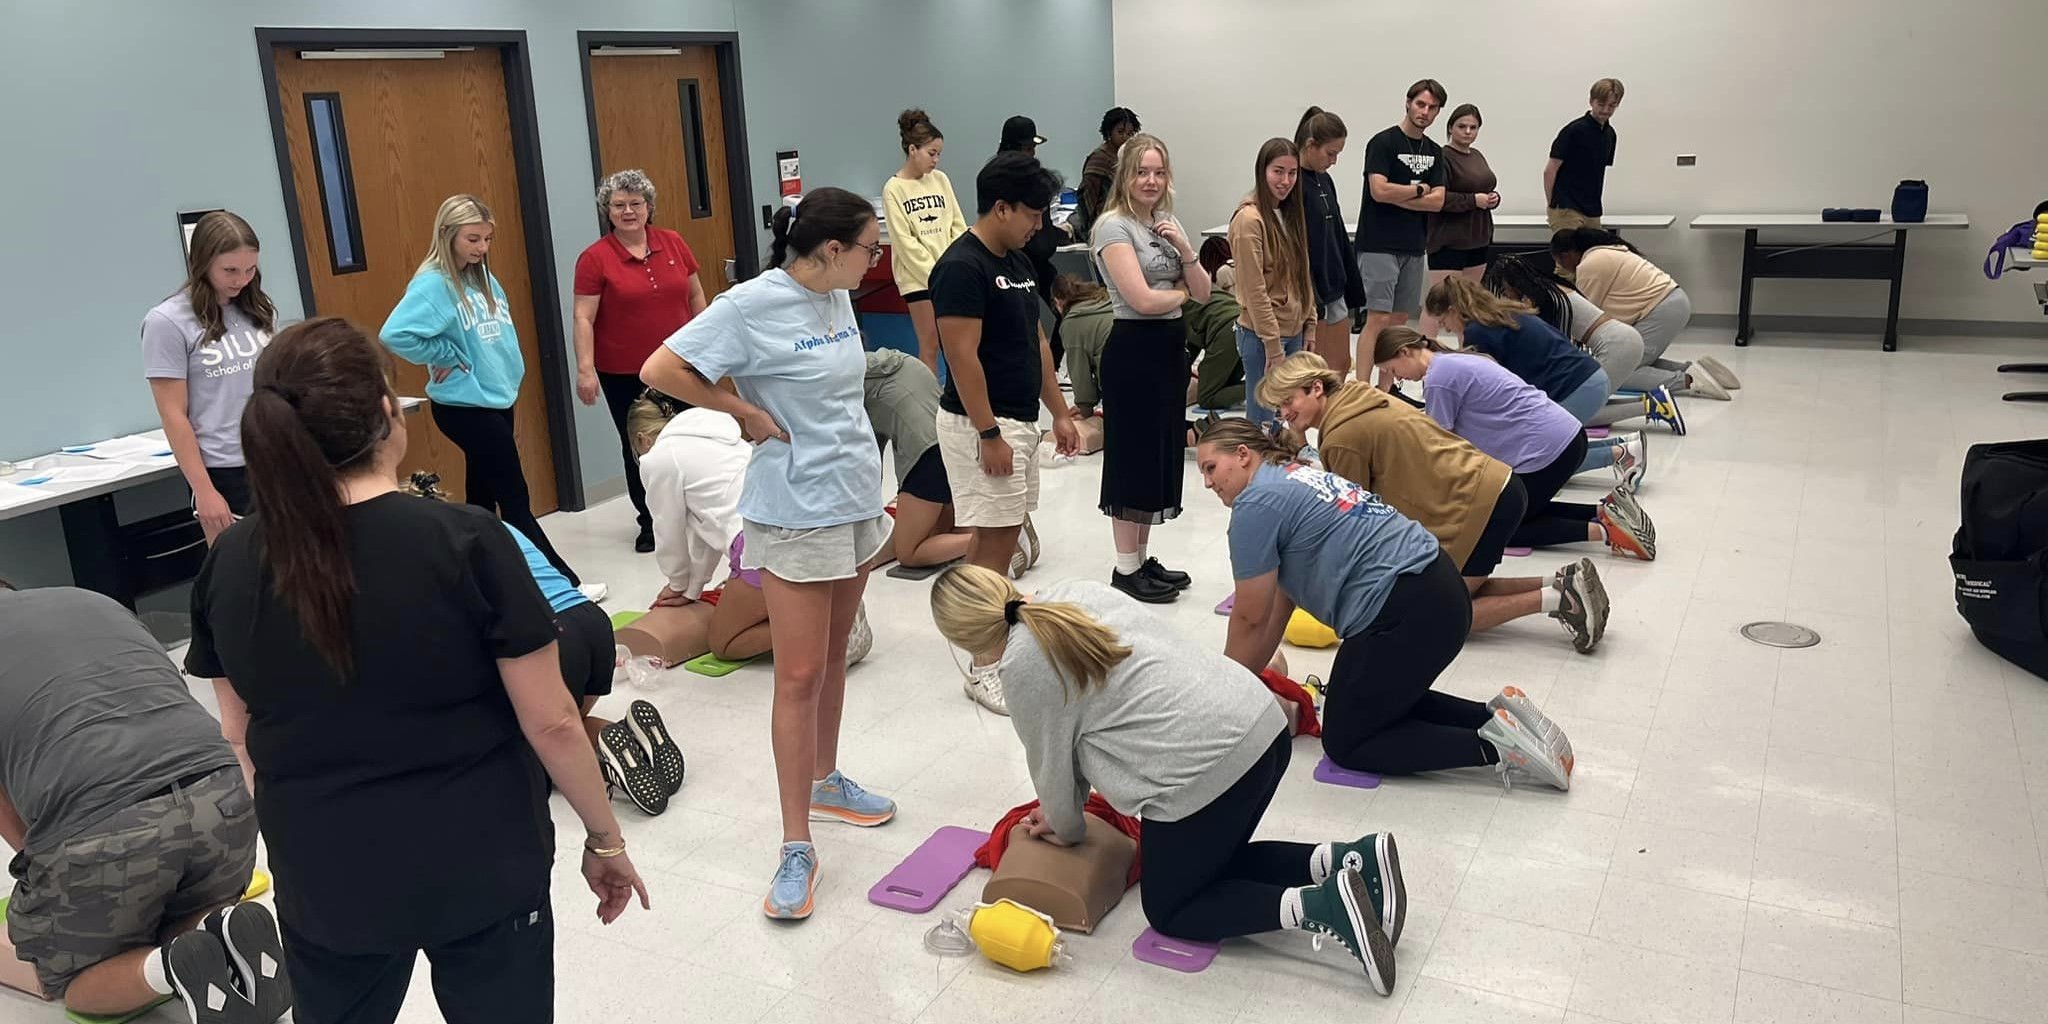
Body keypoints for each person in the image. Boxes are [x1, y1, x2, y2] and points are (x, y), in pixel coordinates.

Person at [186, 317, 648, 1024]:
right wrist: (604, 839)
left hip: (325, 873)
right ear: (385, 415)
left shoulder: (230, 561)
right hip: (481, 862)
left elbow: (239, 735)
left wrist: (304, 833)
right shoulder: (467, 540)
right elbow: (553, 721)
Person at [927, 565, 1407, 995]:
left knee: (1173, 908)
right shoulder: (1071, 591)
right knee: (1216, 863)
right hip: (1261, 723)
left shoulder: (1022, 667)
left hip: (1206, 768)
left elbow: (1053, 767)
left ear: (964, 640)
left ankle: (1323, 906)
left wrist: (1062, 825)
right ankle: (1350, 860)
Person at [641, 187, 896, 921]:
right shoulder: (751, 304)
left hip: (852, 495)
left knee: (837, 649)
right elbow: (663, 369)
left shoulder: (838, 297)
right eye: (870, 248)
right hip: (792, 509)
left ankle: (826, 779)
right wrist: (741, 409)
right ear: (830, 251)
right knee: (800, 673)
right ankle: (794, 845)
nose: (877, 260)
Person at [1197, 419, 1575, 792]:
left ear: (1243, 455)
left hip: (1402, 611)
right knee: (1376, 701)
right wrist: (1244, 681)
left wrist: (1222, 693)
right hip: (1439, 586)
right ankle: (1496, 716)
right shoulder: (1295, 474)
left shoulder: (1255, 504)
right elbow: (1277, 608)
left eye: (1211, 468)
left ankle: (1495, 747)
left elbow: (1249, 617)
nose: (1207, 482)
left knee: (1347, 741)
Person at [1, 583, 279, 1024]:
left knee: (72, 984)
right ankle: (219, 927)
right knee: (167, 908)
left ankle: (166, 969)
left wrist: (47, 881)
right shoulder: (89, 599)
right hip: (223, 797)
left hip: (108, 828)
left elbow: (11, 819)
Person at [1259, 352, 1608, 650]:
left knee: (1437, 614)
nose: (1285, 413)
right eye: (1278, 407)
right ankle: (1561, 582)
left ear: (1316, 388)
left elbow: (1353, 524)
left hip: (1476, 504)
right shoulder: (1357, 396)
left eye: (1288, 401)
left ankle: (1560, 599)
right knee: (1455, 585)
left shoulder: (1340, 436)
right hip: (1495, 483)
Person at [406, 470, 686, 819]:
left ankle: (604, 760)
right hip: (593, 625)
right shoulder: (490, 526)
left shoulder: (432, 550)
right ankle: (627, 737)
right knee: (566, 719)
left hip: (551, 637)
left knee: (533, 743)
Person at [932, 151, 1082, 714]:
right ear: (1000, 207)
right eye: (1032, 213)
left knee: (1001, 537)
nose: (1039, 224)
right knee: (995, 546)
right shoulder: (961, 267)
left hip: (1019, 420)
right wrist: (988, 432)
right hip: (982, 425)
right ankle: (983, 664)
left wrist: (1059, 411)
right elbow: (962, 358)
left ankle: (992, 630)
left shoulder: (1017, 261)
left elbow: (1037, 342)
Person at [382, 194, 586, 589]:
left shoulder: (482, 278)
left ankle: (477, 579)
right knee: (515, 499)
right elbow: (394, 334)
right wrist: (441, 351)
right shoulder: (433, 284)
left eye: (487, 239)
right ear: (448, 235)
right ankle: (560, 582)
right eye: (472, 239)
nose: (482, 248)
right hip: (464, 406)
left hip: (497, 398)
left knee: (481, 499)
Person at [1374, 328, 1656, 561]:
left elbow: (1439, 444)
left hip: (1548, 451)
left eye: (1392, 369)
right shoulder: (1455, 360)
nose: (1397, 378)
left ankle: (1608, 531)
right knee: (1518, 507)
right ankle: (1605, 512)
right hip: (1568, 435)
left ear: (1404, 352)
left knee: (1502, 527)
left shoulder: (1438, 378)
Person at [1090, 132, 1212, 604]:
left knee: (1158, 453)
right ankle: (1125, 569)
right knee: (1132, 455)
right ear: (1126, 175)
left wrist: (1185, 249)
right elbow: (1141, 300)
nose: (1151, 180)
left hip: (1168, 349)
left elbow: (1203, 290)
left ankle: (1141, 560)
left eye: (1159, 172)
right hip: (1134, 348)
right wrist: (1179, 294)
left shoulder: (1165, 221)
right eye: (1142, 171)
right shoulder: (1112, 227)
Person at [573, 169, 708, 554]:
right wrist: (585, 369)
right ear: (607, 211)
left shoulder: (674, 243)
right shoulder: (594, 259)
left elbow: (696, 297)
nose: (628, 211)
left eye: (636, 204)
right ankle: (651, 522)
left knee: (692, 437)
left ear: (649, 207)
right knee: (642, 446)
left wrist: (709, 349)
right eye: (619, 205)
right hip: (623, 371)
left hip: (681, 364)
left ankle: (696, 513)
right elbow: (583, 317)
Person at [143, 210, 277, 544]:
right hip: (223, 468)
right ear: (201, 263)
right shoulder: (167, 321)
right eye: (229, 270)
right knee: (242, 574)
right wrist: (204, 490)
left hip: (273, 455)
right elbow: (173, 415)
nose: (241, 280)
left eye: (249, 269)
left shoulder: (255, 309)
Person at [1421, 277, 1634, 477]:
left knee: (1546, 460)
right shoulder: (1503, 311)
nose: (1445, 328)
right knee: (1560, 444)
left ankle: (1621, 456)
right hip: (1589, 376)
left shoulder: (1478, 332)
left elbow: (1490, 385)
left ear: (1453, 310)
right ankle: (1625, 445)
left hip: (1574, 387)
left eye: (1442, 321)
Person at [1550, 229, 1740, 420]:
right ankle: (1696, 369)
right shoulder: (1608, 251)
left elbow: (1585, 314)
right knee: (1634, 358)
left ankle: (1689, 381)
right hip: (1672, 301)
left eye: (1559, 262)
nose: (1561, 269)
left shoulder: (1589, 265)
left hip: (1662, 309)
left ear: (1567, 255)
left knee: (1621, 372)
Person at [1483, 255, 1651, 435]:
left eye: (1504, 290)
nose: (1505, 296)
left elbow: (1553, 341)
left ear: (1514, 284)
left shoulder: (1542, 299)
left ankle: (1651, 407)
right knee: (1589, 399)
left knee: (1575, 416)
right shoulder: (1551, 288)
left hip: (1618, 345)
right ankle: (1648, 402)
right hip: (1621, 339)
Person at [1356, 80, 1451, 379]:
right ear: (1408, 103)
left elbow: (1438, 202)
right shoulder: (1383, 143)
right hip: (1378, 244)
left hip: (1413, 244)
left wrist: (1407, 196)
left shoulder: (1435, 151)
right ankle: (1360, 387)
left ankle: (1386, 389)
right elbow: (1378, 191)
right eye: (1420, 104)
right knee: (1377, 318)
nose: (1425, 112)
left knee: (1398, 323)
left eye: (1432, 107)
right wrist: (1421, 190)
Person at [1227, 138, 1316, 426]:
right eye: (1278, 171)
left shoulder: (1290, 214)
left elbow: (1303, 274)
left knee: (1290, 411)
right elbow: (1254, 290)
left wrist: (1310, 324)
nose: (1286, 180)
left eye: (1292, 173)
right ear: (1262, 171)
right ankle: (1259, 469)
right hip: (1262, 336)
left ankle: (1283, 461)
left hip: (1294, 329)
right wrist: (1273, 346)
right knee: (1262, 419)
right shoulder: (1249, 220)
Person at [862, 348, 975, 570]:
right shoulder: (896, 360)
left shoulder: (841, 384)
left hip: (927, 456)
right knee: (939, 533)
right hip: (953, 442)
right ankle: (987, 532)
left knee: (910, 552)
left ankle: (996, 538)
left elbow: (865, 462)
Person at [883, 109, 968, 373]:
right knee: (930, 343)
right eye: (931, 153)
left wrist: (956, 264)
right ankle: (930, 404)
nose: (936, 160)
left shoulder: (940, 180)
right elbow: (905, 241)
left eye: (939, 153)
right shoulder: (893, 189)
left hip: (949, 271)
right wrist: (936, 274)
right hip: (918, 279)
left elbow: (956, 222)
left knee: (956, 343)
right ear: (912, 150)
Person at [1296, 107, 1367, 379]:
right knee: (1317, 373)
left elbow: (1336, 234)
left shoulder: (1325, 180)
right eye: (1331, 153)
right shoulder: (1294, 183)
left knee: (1339, 366)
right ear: (1311, 145)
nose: (1334, 161)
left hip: (1334, 285)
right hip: (1313, 293)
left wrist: (1352, 285)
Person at [1422, 104, 1502, 338]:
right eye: (1462, 126)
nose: (1468, 132)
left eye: (1473, 127)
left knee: (1468, 302)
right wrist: (1472, 200)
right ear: (1450, 128)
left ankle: (1467, 351)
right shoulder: (1442, 156)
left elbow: (1485, 186)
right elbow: (1437, 197)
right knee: (1439, 301)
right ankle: (1425, 353)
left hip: (1477, 236)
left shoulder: (1477, 155)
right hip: (1449, 239)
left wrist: (1492, 199)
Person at [996, 115, 1065, 302]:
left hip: (1039, 265)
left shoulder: (1030, 176)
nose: (1033, 154)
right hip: (1015, 265)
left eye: (1034, 148)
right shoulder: (1002, 180)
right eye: (1028, 148)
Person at [1545, 78, 1624, 236]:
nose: (1606, 110)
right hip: (1566, 208)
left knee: (1594, 259)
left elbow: (1595, 172)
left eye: (1612, 106)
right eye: (1601, 104)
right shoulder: (1573, 131)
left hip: (1592, 210)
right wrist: (1552, 206)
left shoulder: (1610, 134)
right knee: (1569, 259)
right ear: (1591, 101)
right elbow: (1550, 171)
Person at [1074, 106, 1141, 240]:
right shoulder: (1100, 159)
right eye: (1120, 132)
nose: (1125, 137)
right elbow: (1086, 197)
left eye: (1130, 133)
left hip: (1127, 220)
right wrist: (1091, 230)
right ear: (1109, 132)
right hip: (1103, 224)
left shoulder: (1130, 156)